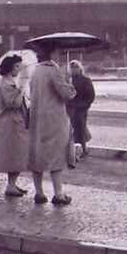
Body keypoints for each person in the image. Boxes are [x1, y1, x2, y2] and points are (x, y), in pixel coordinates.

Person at [28, 44, 76, 205]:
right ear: (52, 53)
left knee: (37, 155)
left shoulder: (36, 71)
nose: (60, 54)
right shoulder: (53, 70)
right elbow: (67, 94)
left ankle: (39, 193)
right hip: (53, 119)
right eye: (58, 51)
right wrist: (69, 82)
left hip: (36, 117)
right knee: (56, 155)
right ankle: (58, 194)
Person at [0, 53, 31, 197]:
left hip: (13, 124)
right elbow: (13, 103)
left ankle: (12, 184)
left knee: (16, 155)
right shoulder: (7, 84)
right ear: (10, 67)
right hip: (10, 125)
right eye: (16, 66)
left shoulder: (9, 82)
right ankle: (10, 185)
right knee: (15, 155)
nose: (18, 69)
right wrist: (21, 91)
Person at [66, 59, 96, 162]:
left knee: (81, 128)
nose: (74, 70)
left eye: (76, 67)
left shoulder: (86, 80)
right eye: (72, 68)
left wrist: (84, 105)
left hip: (81, 108)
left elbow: (91, 96)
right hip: (70, 107)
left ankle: (83, 149)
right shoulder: (68, 80)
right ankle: (73, 150)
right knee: (71, 129)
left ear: (80, 68)